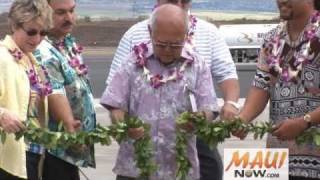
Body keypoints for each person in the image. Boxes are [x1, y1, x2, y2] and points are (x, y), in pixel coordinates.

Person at [106, 0, 240, 179]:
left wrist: (200, 119)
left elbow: (209, 108)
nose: (168, 50)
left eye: (175, 45)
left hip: (180, 169)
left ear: (185, 36)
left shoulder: (197, 65)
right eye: (161, 44)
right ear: (151, 34)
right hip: (136, 167)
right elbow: (115, 104)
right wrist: (123, 125)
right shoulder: (133, 62)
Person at [235, 0, 320, 179]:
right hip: (278, 162)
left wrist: (305, 121)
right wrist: (243, 118)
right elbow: (261, 85)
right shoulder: (272, 39)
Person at [31, 0, 96, 179]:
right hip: (55, 149)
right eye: (60, 13)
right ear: (43, 13)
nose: (69, 18)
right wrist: (70, 125)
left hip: (69, 148)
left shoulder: (66, 42)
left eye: (72, 11)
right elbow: (53, 90)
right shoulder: (42, 49)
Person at [0, 0, 53, 179]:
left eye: (43, 33)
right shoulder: (2, 58)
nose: (37, 39)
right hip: (6, 159)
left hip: (32, 152)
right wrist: (1, 114)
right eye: (31, 32)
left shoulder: (29, 59)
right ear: (14, 25)